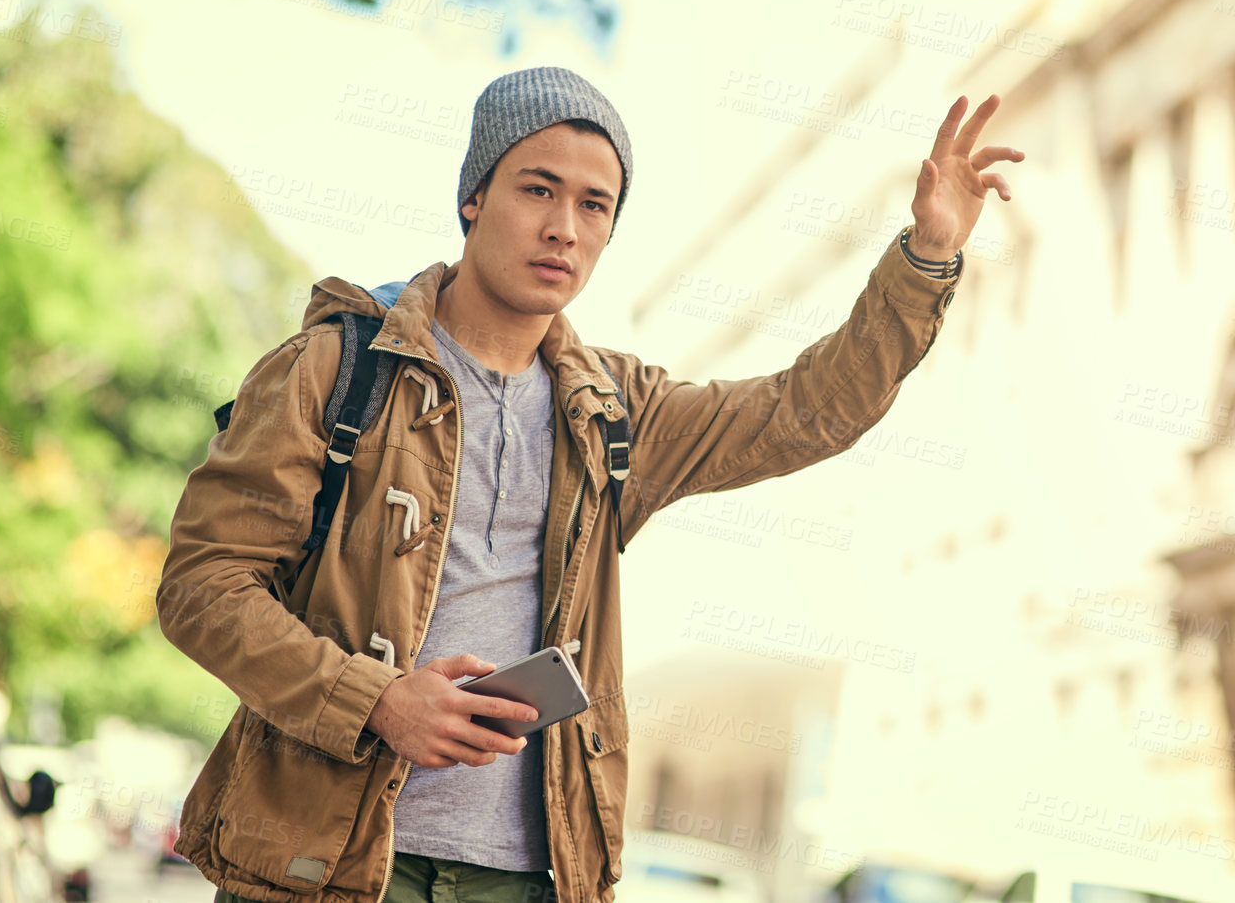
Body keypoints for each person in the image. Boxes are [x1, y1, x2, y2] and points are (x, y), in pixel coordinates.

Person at [156, 66, 1023, 903]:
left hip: (533, 876)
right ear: (473, 198)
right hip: (325, 868)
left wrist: (928, 254)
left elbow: (806, 410)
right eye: (537, 189)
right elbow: (203, 587)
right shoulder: (333, 371)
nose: (563, 226)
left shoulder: (612, 411)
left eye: (593, 204)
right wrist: (377, 700)